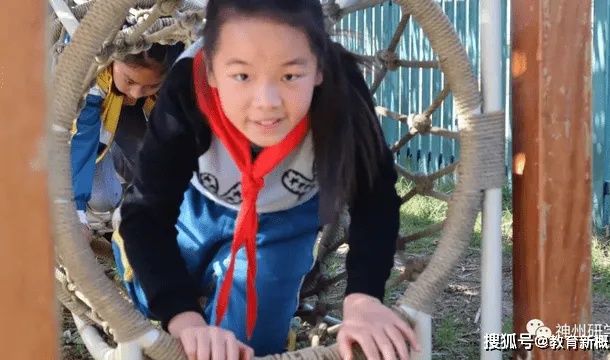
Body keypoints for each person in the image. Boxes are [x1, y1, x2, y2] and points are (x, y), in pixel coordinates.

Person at [112, 0, 420, 358]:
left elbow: (374, 196)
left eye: (290, 76)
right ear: (211, 69)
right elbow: (147, 214)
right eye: (242, 75)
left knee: (250, 346)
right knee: (159, 300)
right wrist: (186, 320)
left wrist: (364, 299)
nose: (266, 102)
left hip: (282, 220)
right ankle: (198, 286)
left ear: (319, 67)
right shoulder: (187, 88)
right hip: (193, 206)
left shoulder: (342, 90)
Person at [70, 40, 185, 230]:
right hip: (81, 131)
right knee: (102, 199)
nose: (136, 92)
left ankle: (131, 203)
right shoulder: (89, 76)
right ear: (112, 60)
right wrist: (76, 213)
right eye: (129, 81)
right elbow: (81, 141)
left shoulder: (175, 79)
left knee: (152, 170)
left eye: (151, 85)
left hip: (129, 119)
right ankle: (99, 215)